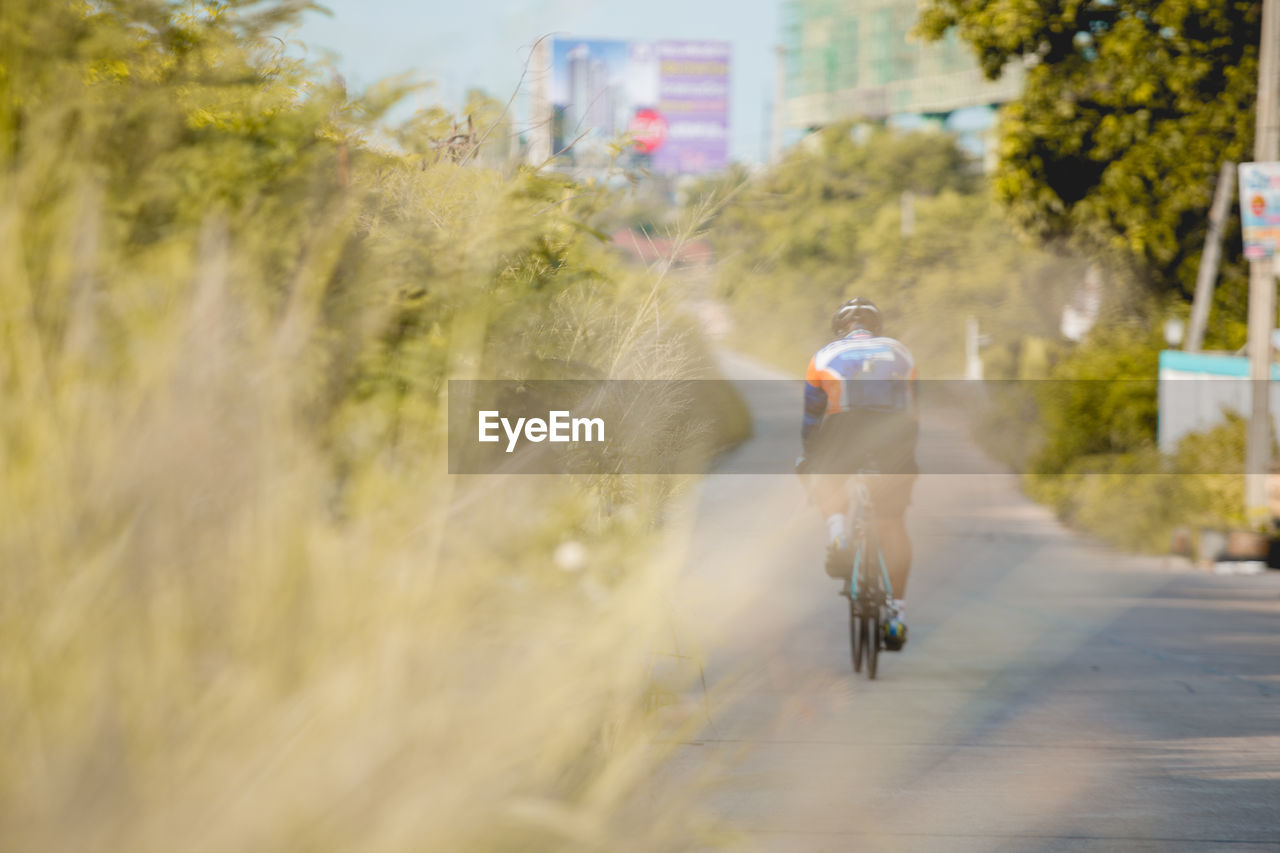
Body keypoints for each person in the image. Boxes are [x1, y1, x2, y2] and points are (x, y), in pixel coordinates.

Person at [795, 297, 917, 650]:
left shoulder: (822, 356)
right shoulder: (901, 352)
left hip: (842, 426)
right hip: (892, 431)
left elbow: (810, 420)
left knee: (826, 472)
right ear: (876, 328)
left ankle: (838, 536)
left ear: (839, 329)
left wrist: (810, 458)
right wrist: (907, 460)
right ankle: (896, 617)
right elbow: (913, 411)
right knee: (892, 521)